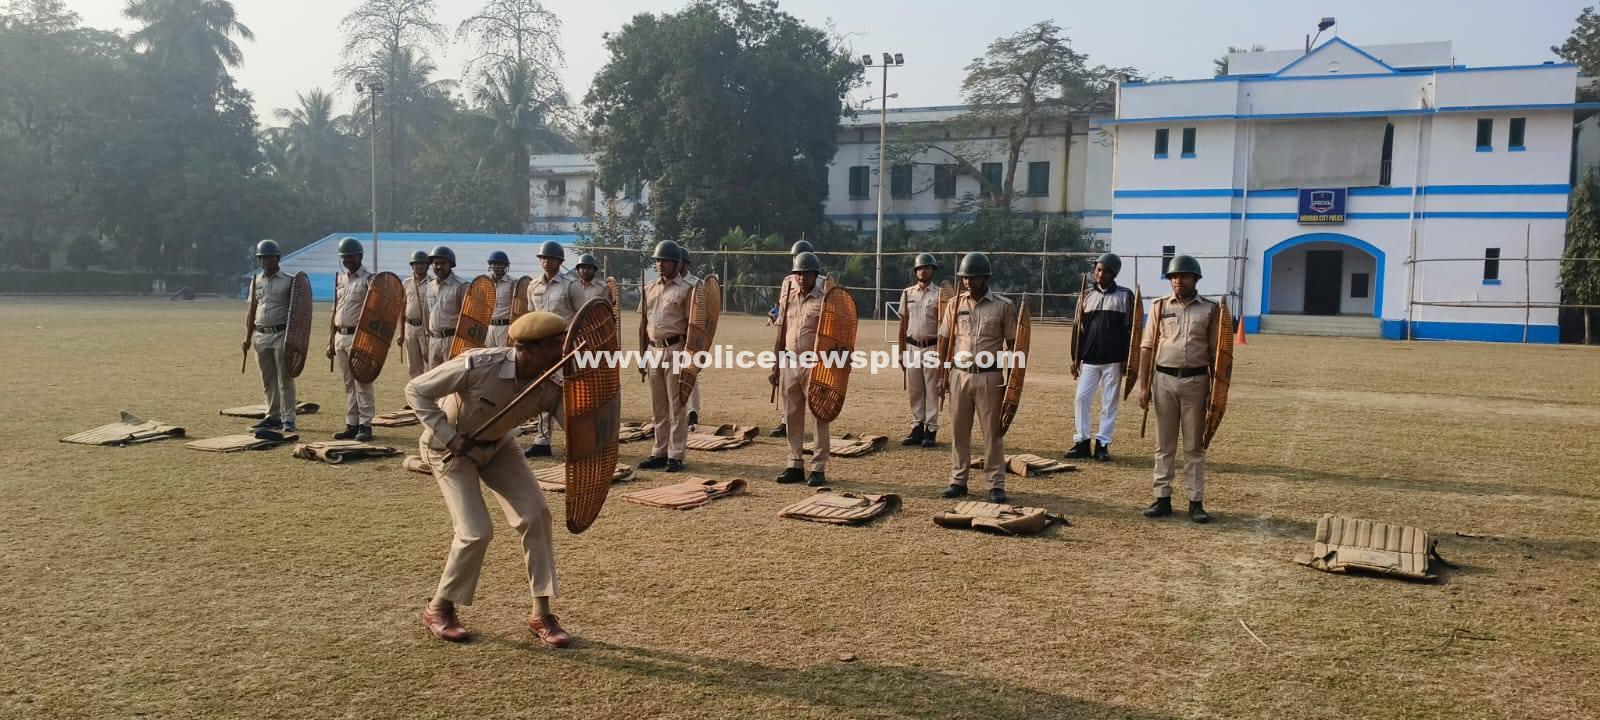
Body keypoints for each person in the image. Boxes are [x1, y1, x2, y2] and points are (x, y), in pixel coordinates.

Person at [406, 311, 573, 647]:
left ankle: (541, 614)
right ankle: (439, 608)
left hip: (499, 447)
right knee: (476, 531)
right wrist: (448, 435)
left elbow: (575, 427)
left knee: (536, 515)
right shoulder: (480, 365)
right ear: (525, 348)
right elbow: (416, 390)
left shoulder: (552, 380)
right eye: (554, 345)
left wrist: (591, 395)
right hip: (450, 450)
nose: (561, 351)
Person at [1137, 254, 1219, 524]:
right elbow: (1147, 346)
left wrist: (1216, 392)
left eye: (1183, 276)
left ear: (1195, 278)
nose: (1177, 281)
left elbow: (1218, 353)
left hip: (1197, 382)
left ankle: (1196, 502)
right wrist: (1143, 385)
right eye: (1173, 276)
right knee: (1164, 444)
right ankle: (1162, 498)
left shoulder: (1210, 309)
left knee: (1195, 445)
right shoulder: (1159, 306)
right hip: (1163, 381)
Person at [939, 252, 1018, 504]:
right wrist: (942, 372)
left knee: (992, 433)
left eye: (973, 277)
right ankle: (958, 480)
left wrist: (1012, 381)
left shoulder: (1003, 306)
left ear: (986, 277)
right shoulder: (955, 304)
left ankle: (995, 484)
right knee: (958, 431)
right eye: (964, 278)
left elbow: (1014, 344)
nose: (968, 282)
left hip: (990, 376)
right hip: (959, 375)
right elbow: (944, 340)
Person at [1066, 253, 1137, 463]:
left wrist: (1128, 360)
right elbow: (1077, 330)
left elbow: (1131, 331)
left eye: (1105, 271)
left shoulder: (1125, 296)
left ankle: (1102, 444)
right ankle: (1082, 442)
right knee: (1081, 399)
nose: (1100, 274)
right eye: (1097, 269)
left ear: (1114, 273)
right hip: (1089, 359)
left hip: (1114, 360)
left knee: (1109, 403)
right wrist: (1075, 358)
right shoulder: (1085, 295)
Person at [771, 251, 832, 486]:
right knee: (792, 415)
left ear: (815, 275)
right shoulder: (788, 297)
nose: (802, 278)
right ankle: (794, 463)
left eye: (806, 274)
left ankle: (818, 467)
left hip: (816, 364)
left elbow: (835, 335)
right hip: (790, 361)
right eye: (798, 274)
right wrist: (775, 363)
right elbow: (781, 330)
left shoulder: (825, 298)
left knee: (819, 415)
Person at [637, 240, 693, 472]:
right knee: (658, 405)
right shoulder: (649, 288)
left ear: (676, 263)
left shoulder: (686, 289)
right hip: (652, 350)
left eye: (665, 260)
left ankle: (676, 454)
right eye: (658, 260)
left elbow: (693, 326)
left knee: (677, 404)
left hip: (676, 350)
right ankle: (659, 451)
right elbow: (642, 323)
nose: (660, 264)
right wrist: (641, 355)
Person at [522, 240, 579, 458]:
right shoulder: (533, 286)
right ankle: (542, 441)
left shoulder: (570, 286)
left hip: (563, 348)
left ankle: (573, 439)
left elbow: (582, 315)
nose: (546, 262)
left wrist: (574, 345)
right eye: (543, 258)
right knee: (541, 392)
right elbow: (530, 317)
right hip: (540, 349)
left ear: (560, 261)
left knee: (566, 394)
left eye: (551, 258)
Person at [242, 239, 299, 432]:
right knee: (268, 379)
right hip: (260, 334)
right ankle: (273, 415)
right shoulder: (256, 281)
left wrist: (294, 340)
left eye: (269, 258)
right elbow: (252, 310)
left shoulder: (289, 281)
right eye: (262, 258)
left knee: (285, 378)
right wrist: (247, 337)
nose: (265, 261)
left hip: (281, 334)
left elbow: (298, 311)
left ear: (277, 258)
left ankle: (289, 417)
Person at [326, 237, 375, 442]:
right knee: (348, 384)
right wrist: (330, 341)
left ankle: (365, 425)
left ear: (360, 256)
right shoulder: (340, 279)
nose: (347, 260)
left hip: (359, 336)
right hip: (340, 335)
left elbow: (375, 313)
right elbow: (334, 310)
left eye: (351, 256)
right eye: (344, 257)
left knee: (362, 381)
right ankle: (351, 423)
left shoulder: (369, 280)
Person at [771, 239, 814, 438]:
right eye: (795, 258)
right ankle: (785, 420)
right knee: (788, 390)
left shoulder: (820, 282)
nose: (798, 261)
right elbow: (783, 313)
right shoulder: (788, 282)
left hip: (812, 353)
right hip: (790, 340)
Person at [898, 252, 942, 448]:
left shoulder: (940, 295)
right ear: (916, 271)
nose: (923, 270)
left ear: (933, 270)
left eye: (927, 267)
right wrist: (901, 351)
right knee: (915, 390)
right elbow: (902, 324)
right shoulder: (907, 293)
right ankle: (917, 426)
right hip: (912, 347)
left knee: (931, 389)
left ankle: (930, 429)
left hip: (932, 347)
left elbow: (944, 326)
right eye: (920, 268)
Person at [424, 246, 467, 370]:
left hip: (452, 340)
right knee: (433, 380)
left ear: (451, 265)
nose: (439, 267)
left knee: (452, 379)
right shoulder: (430, 286)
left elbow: (466, 318)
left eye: (443, 263)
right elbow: (427, 314)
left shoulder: (461, 286)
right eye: (436, 263)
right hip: (433, 340)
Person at [678, 245, 703, 427]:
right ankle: (678, 412)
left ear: (686, 264)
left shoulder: (695, 283)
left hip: (691, 335)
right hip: (673, 336)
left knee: (690, 374)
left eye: (681, 262)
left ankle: (693, 411)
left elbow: (703, 313)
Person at [398, 250, 432, 381]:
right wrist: (401, 333)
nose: (419, 266)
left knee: (429, 363)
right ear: (412, 266)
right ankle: (416, 398)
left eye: (422, 263)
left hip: (426, 328)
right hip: (409, 327)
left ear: (427, 265)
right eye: (416, 264)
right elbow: (402, 309)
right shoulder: (406, 283)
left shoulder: (433, 283)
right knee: (413, 366)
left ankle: (430, 396)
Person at [485, 251, 516, 347]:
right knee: (488, 357)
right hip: (489, 327)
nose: (497, 267)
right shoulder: (485, 282)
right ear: (490, 265)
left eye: (500, 264)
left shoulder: (513, 283)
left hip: (505, 327)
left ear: (505, 266)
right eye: (495, 264)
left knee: (505, 356)